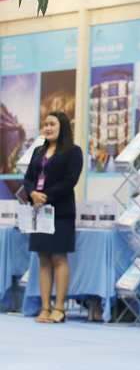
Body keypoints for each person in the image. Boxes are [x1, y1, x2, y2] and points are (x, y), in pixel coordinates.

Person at [23, 111, 83, 323]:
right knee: (43, 258)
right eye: (45, 124)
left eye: (52, 124)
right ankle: (45, 307)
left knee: (59, 258)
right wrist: (32, 194)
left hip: (61, 211)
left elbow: (70, 181)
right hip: (39, 212)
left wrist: (45, 197)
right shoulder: (39, 151)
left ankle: (59, 308)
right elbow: (28, 177)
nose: (47, 128)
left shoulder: (74, 151)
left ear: (63, 126)